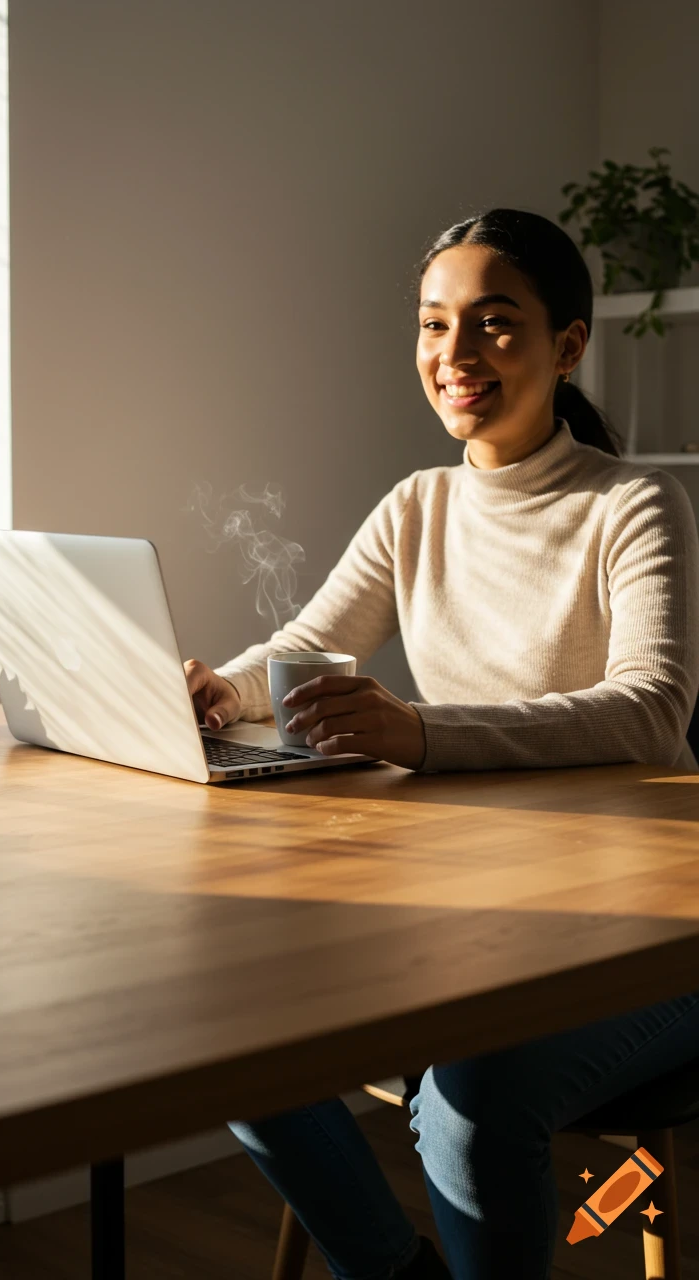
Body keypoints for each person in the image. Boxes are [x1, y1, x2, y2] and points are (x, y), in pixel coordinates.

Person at [182, 208, 699, 1279]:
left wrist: (420, 731)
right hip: (480, 919)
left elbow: (647, 707)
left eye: (491, 324)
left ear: (565, 346)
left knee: (473, 1101)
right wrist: (217, 692)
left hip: (651, 930)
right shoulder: (417, 504)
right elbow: (302, 646)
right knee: (219, 1034)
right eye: (431, 324)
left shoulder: (635, 503)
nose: (452, 356)